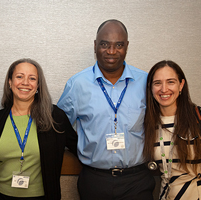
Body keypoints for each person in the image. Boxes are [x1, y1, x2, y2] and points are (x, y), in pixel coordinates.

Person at [57, 19, 155, 200]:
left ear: (127, 46)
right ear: (95, 46)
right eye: (104, 44)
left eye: (119, 45)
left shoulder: (146, 82)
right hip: (95, 180)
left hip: (137, 181)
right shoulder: (77, 84)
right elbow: (58, 126)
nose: (111, 51)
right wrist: (77, 148)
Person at [0, 58, 78, 200]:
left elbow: (79, 147)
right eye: (19, 76)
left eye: (32, 78)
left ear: (38, 85)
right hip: (1, 195)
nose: (25, 83)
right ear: (10, 82)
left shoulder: (55, 117)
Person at [143, 60, 201, 200]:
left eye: (170, 82)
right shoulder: (149, 125)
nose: (164, 89)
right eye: (157, 83)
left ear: (181, 85)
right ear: (150, 88)